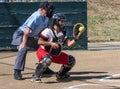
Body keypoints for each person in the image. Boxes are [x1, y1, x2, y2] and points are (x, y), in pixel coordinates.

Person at [11, 2, 55, 80]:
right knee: (23, 49)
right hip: (20, 35)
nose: (50, 11)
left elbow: (41, 30)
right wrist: (23, 44)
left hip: (29, 36)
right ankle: (17, 71)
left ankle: (43, 67)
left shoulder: (46, 17)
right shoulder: (36, 16)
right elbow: (26, 31)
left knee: (42, 47)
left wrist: (44, 41)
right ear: (42, 9)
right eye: (48, 10)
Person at [31, 13, 78, 82]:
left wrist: (76, 39)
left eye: (63, 21)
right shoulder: (48, 31)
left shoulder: (63, 32)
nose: (63, 23)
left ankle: (61, 74)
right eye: (61, 21)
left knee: (71, 60)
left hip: (55, 54)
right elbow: (39, 42)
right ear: (56, 21)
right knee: (47, 58)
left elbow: (69, 44)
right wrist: (50, 43)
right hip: (43, 52)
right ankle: (35, 76)